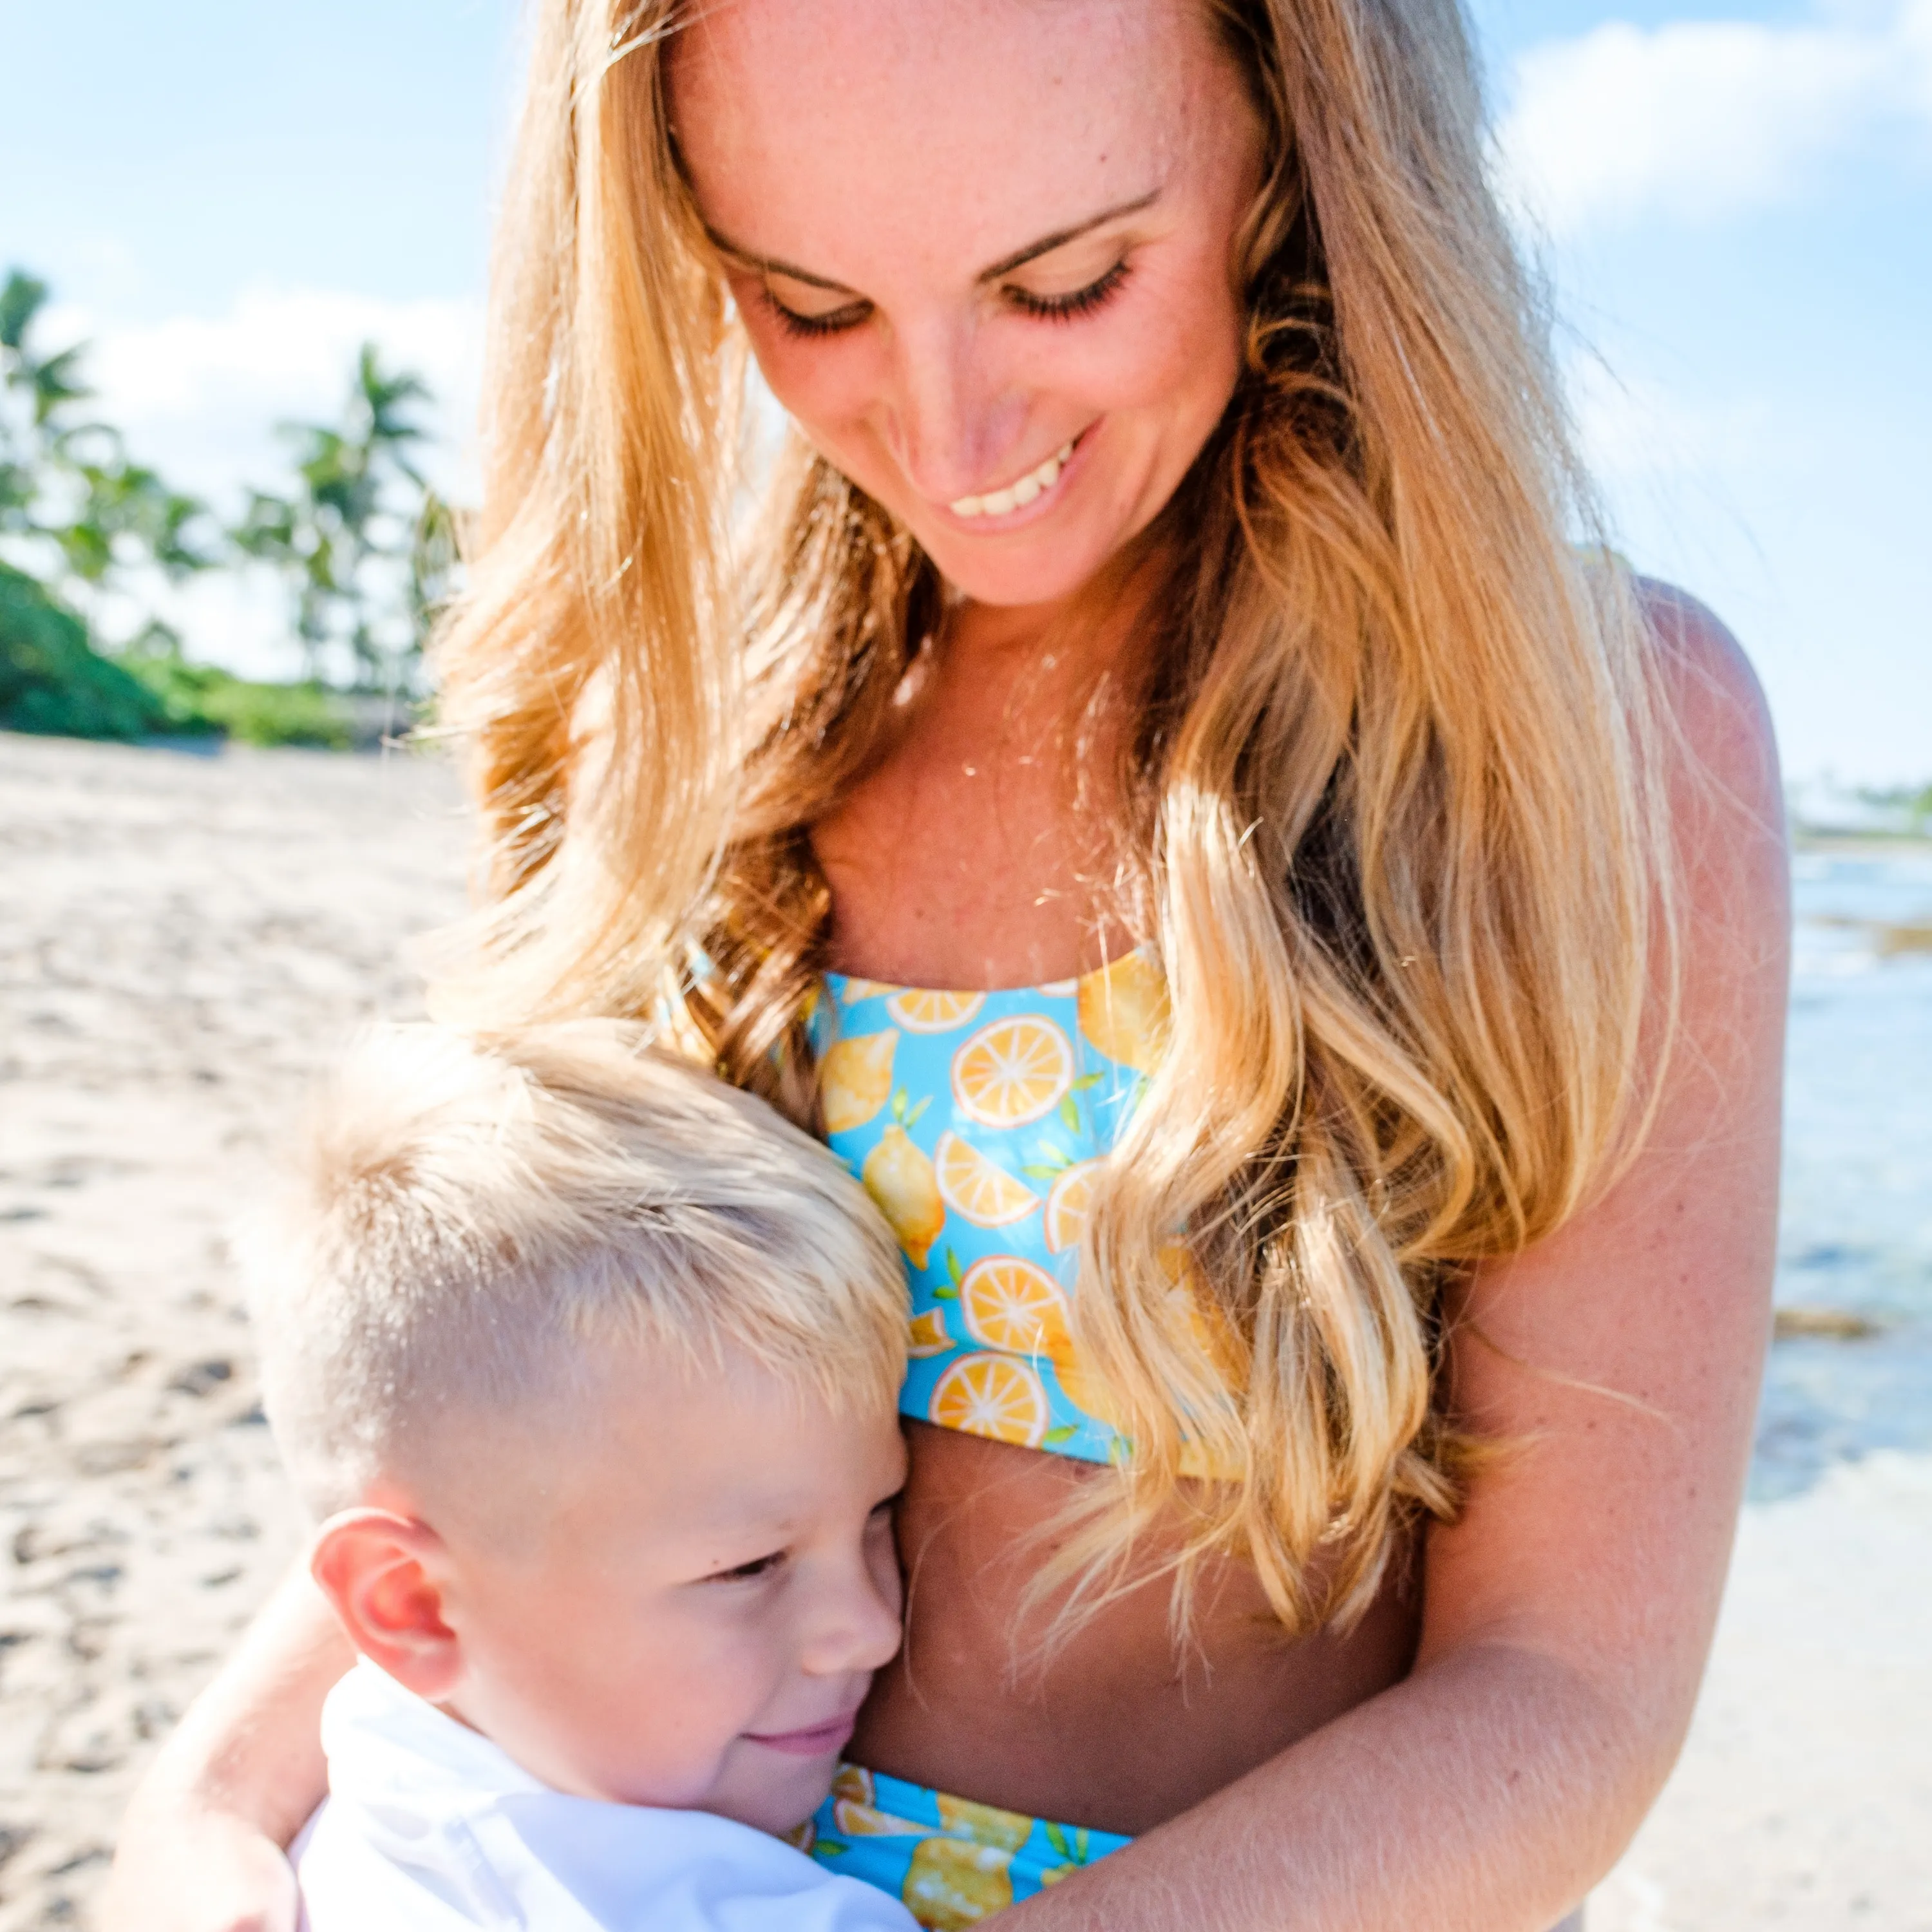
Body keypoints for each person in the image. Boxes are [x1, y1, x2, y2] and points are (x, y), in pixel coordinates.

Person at [106, 0, 1790, 1927]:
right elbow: (498, 1416)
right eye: (811, 305)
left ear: (1299, 149)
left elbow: (1569, 1690)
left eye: (1066, 282)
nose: (952, 434)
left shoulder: (1583, 742)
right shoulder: (690, 719)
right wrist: (209, 1802)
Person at [247, 1021, 920, 1931]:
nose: (872, 1630)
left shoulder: (385, 1765)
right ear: (407, 1603)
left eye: (882, 1511)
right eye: (748, 1566)